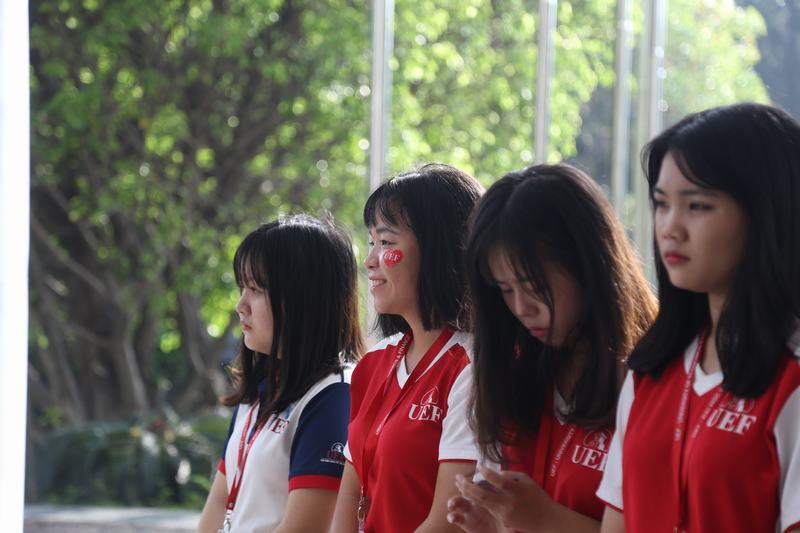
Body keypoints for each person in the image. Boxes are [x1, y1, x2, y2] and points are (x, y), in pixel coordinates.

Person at [596, 103, 800, 533]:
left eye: (698, 206)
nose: (670, 227)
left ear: (767, 213)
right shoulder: (650, 371)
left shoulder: (790, 378)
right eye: (661, 204)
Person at [447, 164, 656, 533]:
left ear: (588, 264)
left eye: (534, 285)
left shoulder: (653, 382)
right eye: (505, 290)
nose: (521, 307)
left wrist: (547, 521)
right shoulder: (515, 374)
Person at [330, 163, 484, 533]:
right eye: (371, 243)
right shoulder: (374, 362)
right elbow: (348, 498)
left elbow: (448, 521)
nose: (370, 261)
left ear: (439, 249)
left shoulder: (473, 366)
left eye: (386, 243)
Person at [198, 215, 364, 533]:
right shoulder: (259, 390)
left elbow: (305, 528)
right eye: (242, 287)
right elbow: (219, 500)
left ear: (303, 299)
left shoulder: (333, 398)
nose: (241, 305)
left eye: (255, 289)